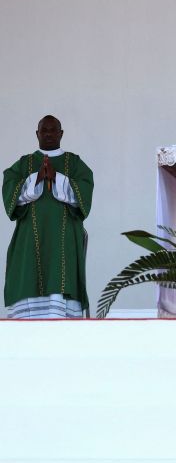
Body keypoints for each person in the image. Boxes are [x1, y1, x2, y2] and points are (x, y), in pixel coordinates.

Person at [2, 115, 93, 318]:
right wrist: (37, 178)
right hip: (28, 241)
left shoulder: (75, 163)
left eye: (53, 130)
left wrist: (57, 178)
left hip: (65, 240)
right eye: (44, 130)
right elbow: (9, 188)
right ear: (37, 134)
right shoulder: (24, 164)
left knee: (59, 287)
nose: (49, 134)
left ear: (61, 133)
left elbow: (84, 196)